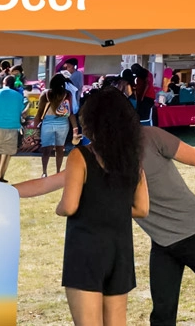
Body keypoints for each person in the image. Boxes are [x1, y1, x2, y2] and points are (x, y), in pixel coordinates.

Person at [16, 116, 195, 326]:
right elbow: (48, 183)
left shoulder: (150, 137)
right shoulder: (97, 155)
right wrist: (3, 191)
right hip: (161, 242)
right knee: (162, 314)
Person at [52, 92, 150, 326]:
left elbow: (69, 205)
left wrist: (58, 208)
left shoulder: (80, 156)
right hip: (120, 250)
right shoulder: (132, 159)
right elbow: (142, 208)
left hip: (85, 250)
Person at [0, 72, 27, 183]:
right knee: (7, 152)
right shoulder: (18, 96)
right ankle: (1, 175)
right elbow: (21, 110)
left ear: (3, 83)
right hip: (13, 125)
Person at [40, 75, 75, 177]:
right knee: (60, 148)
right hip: (63, 122)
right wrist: (75, 127)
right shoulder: (67, 94)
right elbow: (71, 111)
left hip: (48, 122)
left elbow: (40, 111)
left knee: (46, 149)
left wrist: (36, 125)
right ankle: (58, 171)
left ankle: (44, 172)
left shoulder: (46, 94)